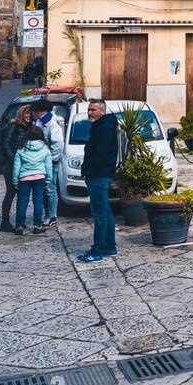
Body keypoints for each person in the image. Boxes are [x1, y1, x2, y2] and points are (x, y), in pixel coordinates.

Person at [78, 98, 120, 263]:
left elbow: (100, 154)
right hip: (100, 174)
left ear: (102, 111)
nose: (90, 112)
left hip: (99, 175)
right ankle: (110, 246)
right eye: (89, 109)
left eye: (93, 110)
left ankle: (97, 251)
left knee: (99, 214)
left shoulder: (104, 128)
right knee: (105, 211)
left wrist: (90, 171)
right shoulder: (102, 126)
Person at [0, 105, 34, 233]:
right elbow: (6, 144)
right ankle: (5, 222)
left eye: (31, 113)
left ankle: (20, 222)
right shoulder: (13, 126)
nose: (29, 115)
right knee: (10, 193)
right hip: (11, 166)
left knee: (22, 194)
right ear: (21, 114)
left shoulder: (31, 128)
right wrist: (15, 160)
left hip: (25, 166)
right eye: (27, 113)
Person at [11, 125, 52, 235]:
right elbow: (49, 166)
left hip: (24, 178)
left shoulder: (22, 148)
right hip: (40, 177)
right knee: (38, 201)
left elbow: (16, 167)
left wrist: (15, 181)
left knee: (22, 202)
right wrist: (48, 180)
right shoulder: (45, 148)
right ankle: (37, 225)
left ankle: (19, 226)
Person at [32, 100, 64, 227]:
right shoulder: (38, 122)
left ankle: (52, 216)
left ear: (40, 112)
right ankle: (47, 214)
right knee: (44, 190)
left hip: (49, 163)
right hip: (40, 162)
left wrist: (49, 159)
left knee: (50, 189)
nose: (32, 113)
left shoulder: (52, 124)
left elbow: (58, 145)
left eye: (34, 111)